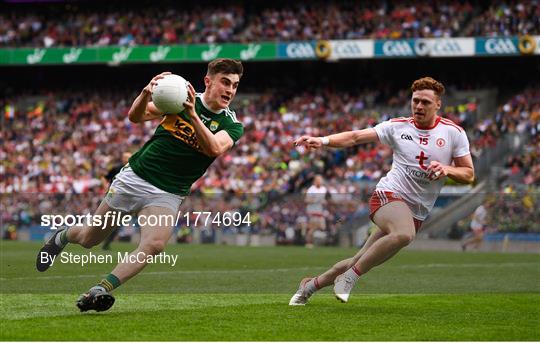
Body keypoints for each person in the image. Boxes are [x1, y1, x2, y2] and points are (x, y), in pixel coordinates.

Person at [36, 58, 244, 312]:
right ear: (208, 81)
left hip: (169, 192)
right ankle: (62, 236)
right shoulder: (179, 97)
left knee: (155, 245)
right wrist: (146, 93)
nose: (230, 90)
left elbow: (213, 147)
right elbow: (136, 116)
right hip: (136, 177)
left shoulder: (231, 124)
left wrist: (191, 116)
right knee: (90, 238)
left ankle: (99, 289)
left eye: (234, 85)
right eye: (225, 82)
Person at [289, 77, 474, 305]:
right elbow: (355, 137)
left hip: (416, 212)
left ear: (438, 105)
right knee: (405, 235)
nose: (418, 106)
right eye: (415, 101)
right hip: (389, 195)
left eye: (425, 102)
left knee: (358, 259)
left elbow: (468, 173)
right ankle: (350, 278)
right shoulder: (397, 126)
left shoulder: (453, 133)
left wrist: (446, 169)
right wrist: (323, 140)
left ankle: (309, 287)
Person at [101, 152, 132, 250]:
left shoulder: (133, 170)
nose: (126, 159)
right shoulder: (116, 168)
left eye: (128, 157)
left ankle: (107, 242)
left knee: (117, 224)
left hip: (124, 198)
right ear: (122, 158)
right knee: (106, 219)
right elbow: (104, 177)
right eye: (125, 157)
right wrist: (106, 186)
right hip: (112, 196)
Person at [304, 175, 328, 248]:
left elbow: (323, 199)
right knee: (312, 227)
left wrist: (324, 202)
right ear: (315, 181)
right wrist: (315, 200)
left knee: (322, 227)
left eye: (321, 180)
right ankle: (309, 243)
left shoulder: (323, 189)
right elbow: (306, 200)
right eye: (319, 180)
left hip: (319, 210)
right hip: (312, 211)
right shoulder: (311, 189)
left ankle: (312, 242)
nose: (320, 181)